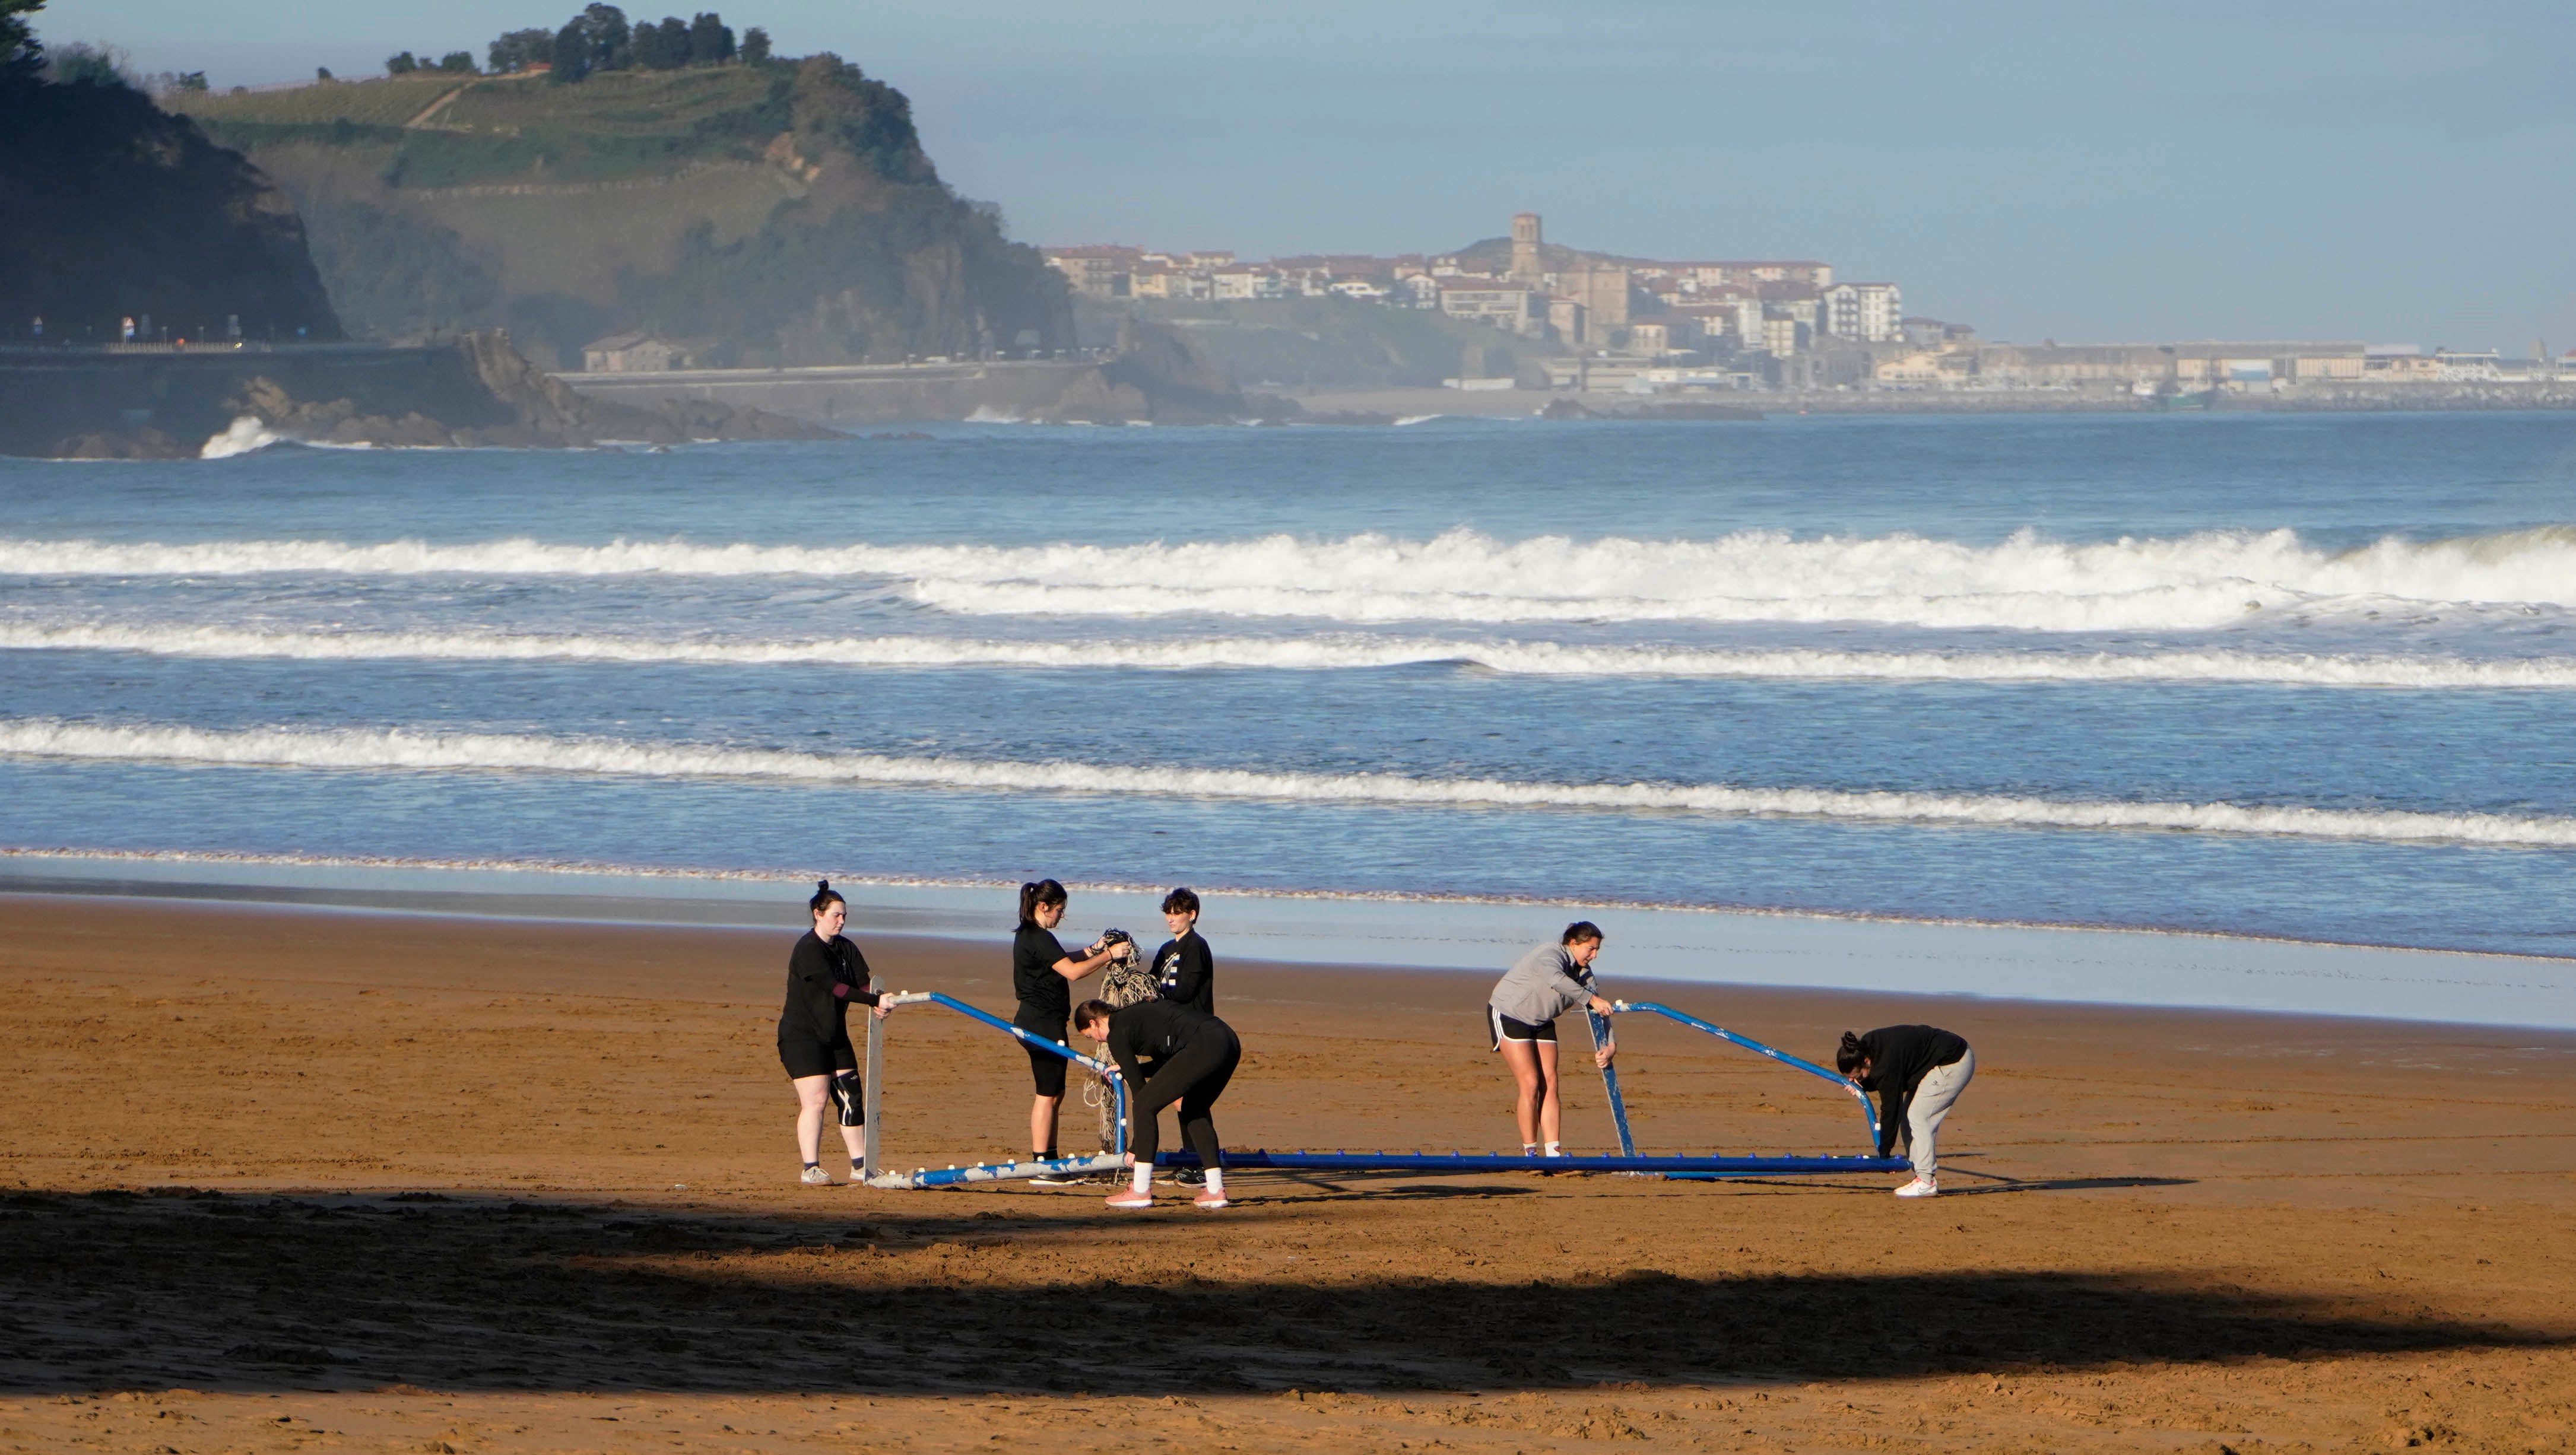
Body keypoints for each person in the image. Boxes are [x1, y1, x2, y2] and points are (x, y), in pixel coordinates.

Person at [776, 880, 893, 1185]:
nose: (841, 921)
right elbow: (837, 989)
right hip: (803, 1036)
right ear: (818, 914)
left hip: (834, 1033)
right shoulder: (807, 950)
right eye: (836, 915)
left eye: (844, 916)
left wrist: (878, 1001)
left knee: (851, 1096)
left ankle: (860, 1166)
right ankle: (810, 1168)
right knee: (815, 1101)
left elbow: (862, 983)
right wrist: (872, 1000)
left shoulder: (847, 948)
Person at [1076, 996, 1240, 1211]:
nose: (1097, 1041)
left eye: (1091, 1036)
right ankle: (1215, 1191)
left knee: (1145, 1104)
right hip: (1228, 1041)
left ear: (1094, 1023)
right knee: (1193, 1109)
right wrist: (1129, 1070)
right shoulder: (1139, 1017)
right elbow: (1166, 1063)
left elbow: (1139, 1092)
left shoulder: (1116, 1034)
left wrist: (1136, 1147)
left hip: (1203, 1044)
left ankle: (1140, 1190)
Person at [1010, 878, 1121, 1181]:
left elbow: (1063, 959)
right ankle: (1042, 1164)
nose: (1062, 916)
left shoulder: (1035, 936)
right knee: (1047, 1094)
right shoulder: (1037, 937)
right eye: (1060, 910)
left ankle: (1050, 1158)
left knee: (1055, 1092)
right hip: (1039, 1024)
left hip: (1043, 1022)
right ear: (1043, 907)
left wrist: (1095, 948)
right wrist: (1109, 956)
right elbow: (1072, 972)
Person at [1486, 922, 1616, 1159]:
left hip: (1542, 1020)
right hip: (1510, 1013)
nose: (1594, 955)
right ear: (1573, 944)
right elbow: (1556, 980)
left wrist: (1610, 1045)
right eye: (1590, 949)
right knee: (1531, 1082)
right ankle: (1530, 1155)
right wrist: (1590, 999)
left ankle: (1554, 1156)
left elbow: (1598, 1007)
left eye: (1597, 950)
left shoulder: (1585, 974)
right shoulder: (1550, 953)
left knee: (1551, 1082)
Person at [1837, 1025, 1975, 1197]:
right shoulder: (1865, 1048)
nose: (1852, 1081)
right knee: (1910, 1117)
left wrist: (1884, 1155)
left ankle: (1926, 1181)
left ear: (1866, 1061)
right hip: (1932, 1063)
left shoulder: (1886, 1062)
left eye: (1857, 1077)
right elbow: (1882, 1082)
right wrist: (1861, 1084)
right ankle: (1920, 1177)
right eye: (1849, 1078)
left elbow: (1891, 1109)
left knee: (1918, 1116)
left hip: (1954, 1061)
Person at [1147, 886, 1215, 1013]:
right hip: (1168, 1017)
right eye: (1168, 913)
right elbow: (1150, 981)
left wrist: (1157, 995)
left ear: (1192, 915)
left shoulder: (1196, 946)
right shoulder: (1166, 948)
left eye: (1176, 913)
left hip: (1194, 1022)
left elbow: (1185, 993)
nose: (1170, 919)